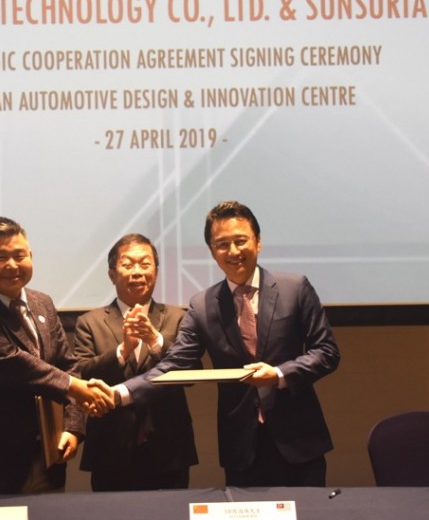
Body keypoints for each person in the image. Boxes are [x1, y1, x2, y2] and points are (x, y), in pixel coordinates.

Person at [113, 201, 341, 487]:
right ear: (212, 251)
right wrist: (121, 393)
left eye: (240, 241)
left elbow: (327, 352)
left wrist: (279, 375)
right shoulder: (203, 305)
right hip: (241, 448)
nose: (233, 252)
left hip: (300, 442)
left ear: (258, 242)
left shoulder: (294, 288)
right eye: (222, 244)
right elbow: (174, 365)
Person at [0, 217, 113, 495]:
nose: (12, 265)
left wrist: (72, 428)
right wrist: (77, 389)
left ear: (31, 256)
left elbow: (68, 366)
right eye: (0, 257)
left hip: (47, 457)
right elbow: (13, 363)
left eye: (19, 255)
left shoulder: (41, 302)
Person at [72, 234, 198, 491]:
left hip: (169, 449)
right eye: (128, 264)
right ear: (111, 274)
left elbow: (193, 373)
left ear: (157, 271)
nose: (137, 272)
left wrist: (154, 340)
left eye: (145, 264)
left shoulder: (178, 317)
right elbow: (81, 375)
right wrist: (123, 349)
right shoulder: (90, 322)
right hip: (110, 449)